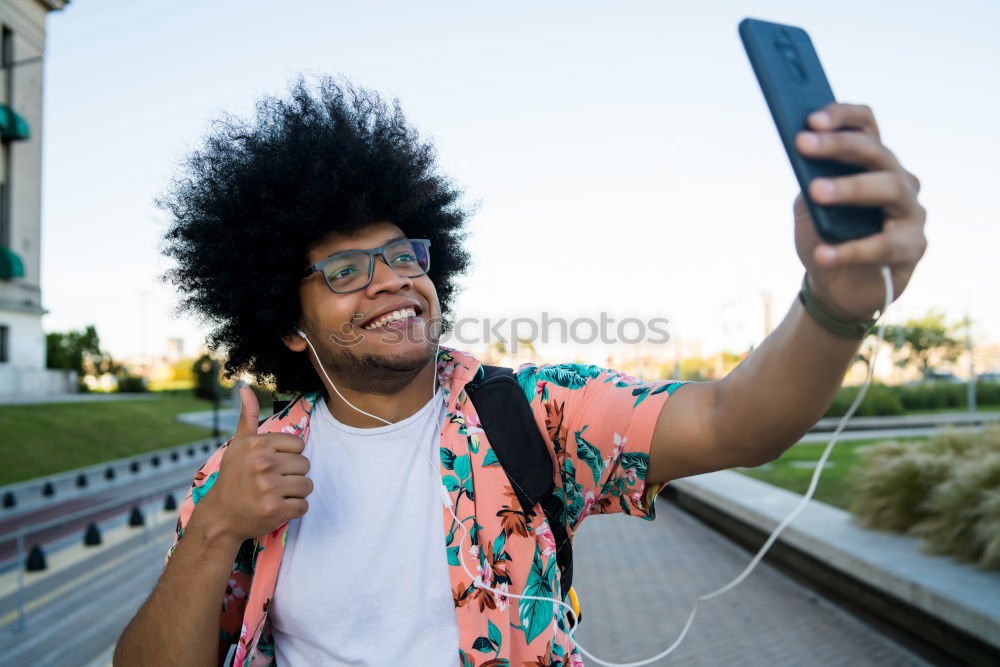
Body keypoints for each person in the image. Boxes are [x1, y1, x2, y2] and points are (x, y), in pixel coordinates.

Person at [114, 76, 926, 667]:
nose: (394, 279)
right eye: (347, 271)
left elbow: (733, 420)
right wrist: (218, 526)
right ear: (288, 326)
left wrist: (832, 303)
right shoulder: (241, 478)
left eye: (404, 255)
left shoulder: (533, 412)